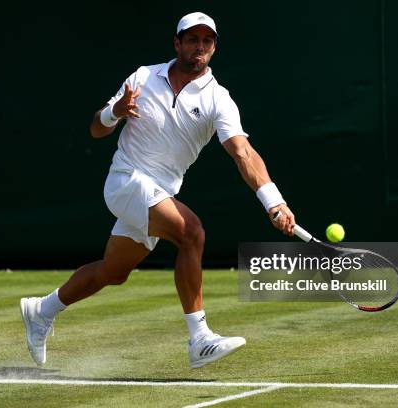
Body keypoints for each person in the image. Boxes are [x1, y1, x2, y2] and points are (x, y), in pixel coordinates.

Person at [20, 11, 296, 369]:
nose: (199, 47)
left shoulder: (219, 99)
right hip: (125, 180)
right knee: (192, 233)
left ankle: (41, 310)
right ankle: (199, 338)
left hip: (158, 192)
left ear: (214, 48)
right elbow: (96, 128)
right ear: (177, 43)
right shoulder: (143, 77)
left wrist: (274, 202)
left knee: (113, 272)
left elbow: (243, 152)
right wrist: (114, 113)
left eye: (207, 41)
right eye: (192, 39)